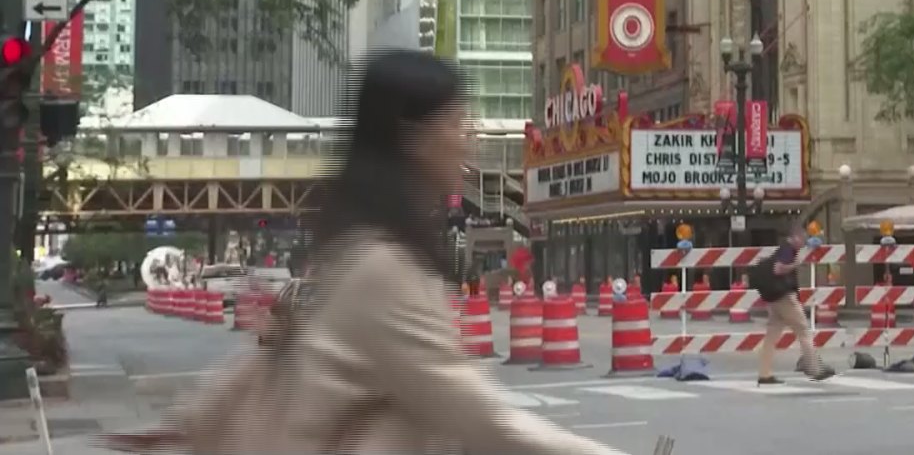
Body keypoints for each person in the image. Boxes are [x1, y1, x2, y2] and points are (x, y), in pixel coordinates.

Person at [103, 50, 625, 455]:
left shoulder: (354, 246)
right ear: (413, 136)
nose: (467, 142)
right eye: (455, 124)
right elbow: (479, 416)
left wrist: (192, 421)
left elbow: (274, 354)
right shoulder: (385, 268)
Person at [756, 225, 834, 385]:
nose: (804, 242)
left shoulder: (784, 249)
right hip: (784, 297)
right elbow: (778, 269)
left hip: (773, 299)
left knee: (771, 336)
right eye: (803, 238)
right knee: (803, 329)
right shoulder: (787, 249)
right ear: (795, 237)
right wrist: (795, 265)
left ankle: (764, 373)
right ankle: (814, 369)